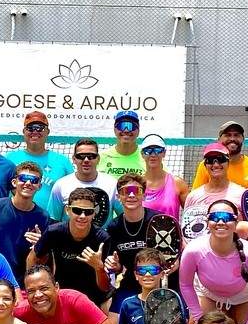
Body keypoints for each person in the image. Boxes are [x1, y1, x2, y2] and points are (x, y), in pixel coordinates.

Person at [30, 188, 112, 309]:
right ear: (68, 210)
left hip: (94, 298)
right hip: (62, 294)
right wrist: (33, 287)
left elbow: (104, 287)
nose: (82, 216)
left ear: (94, 213)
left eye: (88, 212)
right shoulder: (54, 232)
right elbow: (33, 258)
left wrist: (98, 267)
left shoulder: (102, 239)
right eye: (77, 211)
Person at [103, 173, 169, 312]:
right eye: (126, 191)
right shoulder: (113, 227)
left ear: (144, 195)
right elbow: (117, 266)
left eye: (136, 191)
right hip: (131, 283)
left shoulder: (159, 221)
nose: (131, 195)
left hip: (161, 282)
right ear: (118, 197)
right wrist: (115, 265)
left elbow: (175, 258)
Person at [0, 161, 50, 280]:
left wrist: (41, 245)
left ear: (39, 186)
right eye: (23, 178)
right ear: (14, 182)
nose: (28, 183)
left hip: (20, 281)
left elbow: (44, 258)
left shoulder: (43, 216)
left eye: (34, 180)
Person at [4, 111, 73, 218]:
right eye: (30, 128)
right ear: (24, 131)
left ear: (47, 131)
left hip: (51, 224)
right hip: (14, 219)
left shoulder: (62, 161)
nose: (35, 131)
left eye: (40, 128)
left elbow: (72, 194)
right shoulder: (9, 159)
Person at [181, 143, 247, 244]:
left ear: (228, 163)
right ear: (205, 165)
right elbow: (185, 232)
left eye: (221, 159)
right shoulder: (193, 196)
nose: (216, 165)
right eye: (210, 160)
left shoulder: (242, 194)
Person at [47, 139, 121, 225]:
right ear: (74, 159)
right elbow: (53, 219)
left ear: (98, 159)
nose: (86, 160)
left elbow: (123, 215)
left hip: (102, 237)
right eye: (81, 156)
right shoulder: (61, 185)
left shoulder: (112, 183)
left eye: (91, 156)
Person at [141, 133, 188, 222]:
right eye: (148, 150)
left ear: (164, 153)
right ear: (142, 154)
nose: (153, 154)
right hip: (143, 236)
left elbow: (191, 215)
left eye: (157, 150)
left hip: (171, 235)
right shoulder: (137, 184)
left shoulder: (178, 183)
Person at [192, 121, 248, 188]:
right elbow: (197, 195)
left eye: (236, 135)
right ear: (219, 140)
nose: (232, 139)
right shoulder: (208, 165)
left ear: (243, 139)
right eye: (227, 135)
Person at [100, 110, 145, 177]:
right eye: (121, 126)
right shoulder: (100, 158)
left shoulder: (148, 158)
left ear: (138, 131)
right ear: (115, 130)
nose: (126, 130)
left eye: (131, 126)